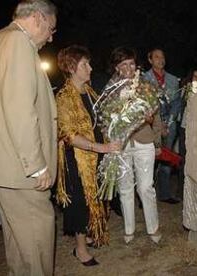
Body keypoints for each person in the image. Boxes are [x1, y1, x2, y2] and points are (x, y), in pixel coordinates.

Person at [0, 1, 58, 275]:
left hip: (4, 162)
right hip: (20, 165)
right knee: (38, 234)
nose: (51, 37)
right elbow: (20, 108)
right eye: (51, 29)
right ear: (38, 17)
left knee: (19, 242)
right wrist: (37, 164)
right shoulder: (18, 43)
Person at [55, 45, 120, 266]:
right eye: (85, 64)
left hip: (96, 156)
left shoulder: (90, 92)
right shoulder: (64, 97)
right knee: (80, 203)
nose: (90, 68)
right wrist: (100, 148)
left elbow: (100, 120)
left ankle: (91, 234)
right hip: (77, 160)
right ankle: (80, 249)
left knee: (97, 198)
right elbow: (69, 136)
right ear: (72, 67)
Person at [107, 46, 162, 244]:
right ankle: (129, 229)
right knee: (125, 187)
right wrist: (110, 141)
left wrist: (157, 140)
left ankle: (153, 227)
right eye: (124, 64)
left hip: (144, 140)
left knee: (146, 187)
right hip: (121, 145)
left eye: (131, 63)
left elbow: (157, 117)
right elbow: (106, 119)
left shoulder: (145, 85)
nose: (129, 68)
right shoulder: (110, 89)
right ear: (116, 67)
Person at [143, 48, 181, 204]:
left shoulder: (173, 79)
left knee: (167, 158)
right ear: (150, 60)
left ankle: (165, 194)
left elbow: (177, 102)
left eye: (162, 56)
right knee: (149, 159)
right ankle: (145, 194)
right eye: (157, 57)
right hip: (150, 124)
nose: (160, 59)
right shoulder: (144, 79)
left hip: (169, 124)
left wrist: (169, 122)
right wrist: (157, 124)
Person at [177, 68, 197, 198]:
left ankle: (193, 192)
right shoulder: (185, 91)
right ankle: (181, 190)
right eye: (194, 77)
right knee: (184, 159)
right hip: (185, 128)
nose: (196, 80)